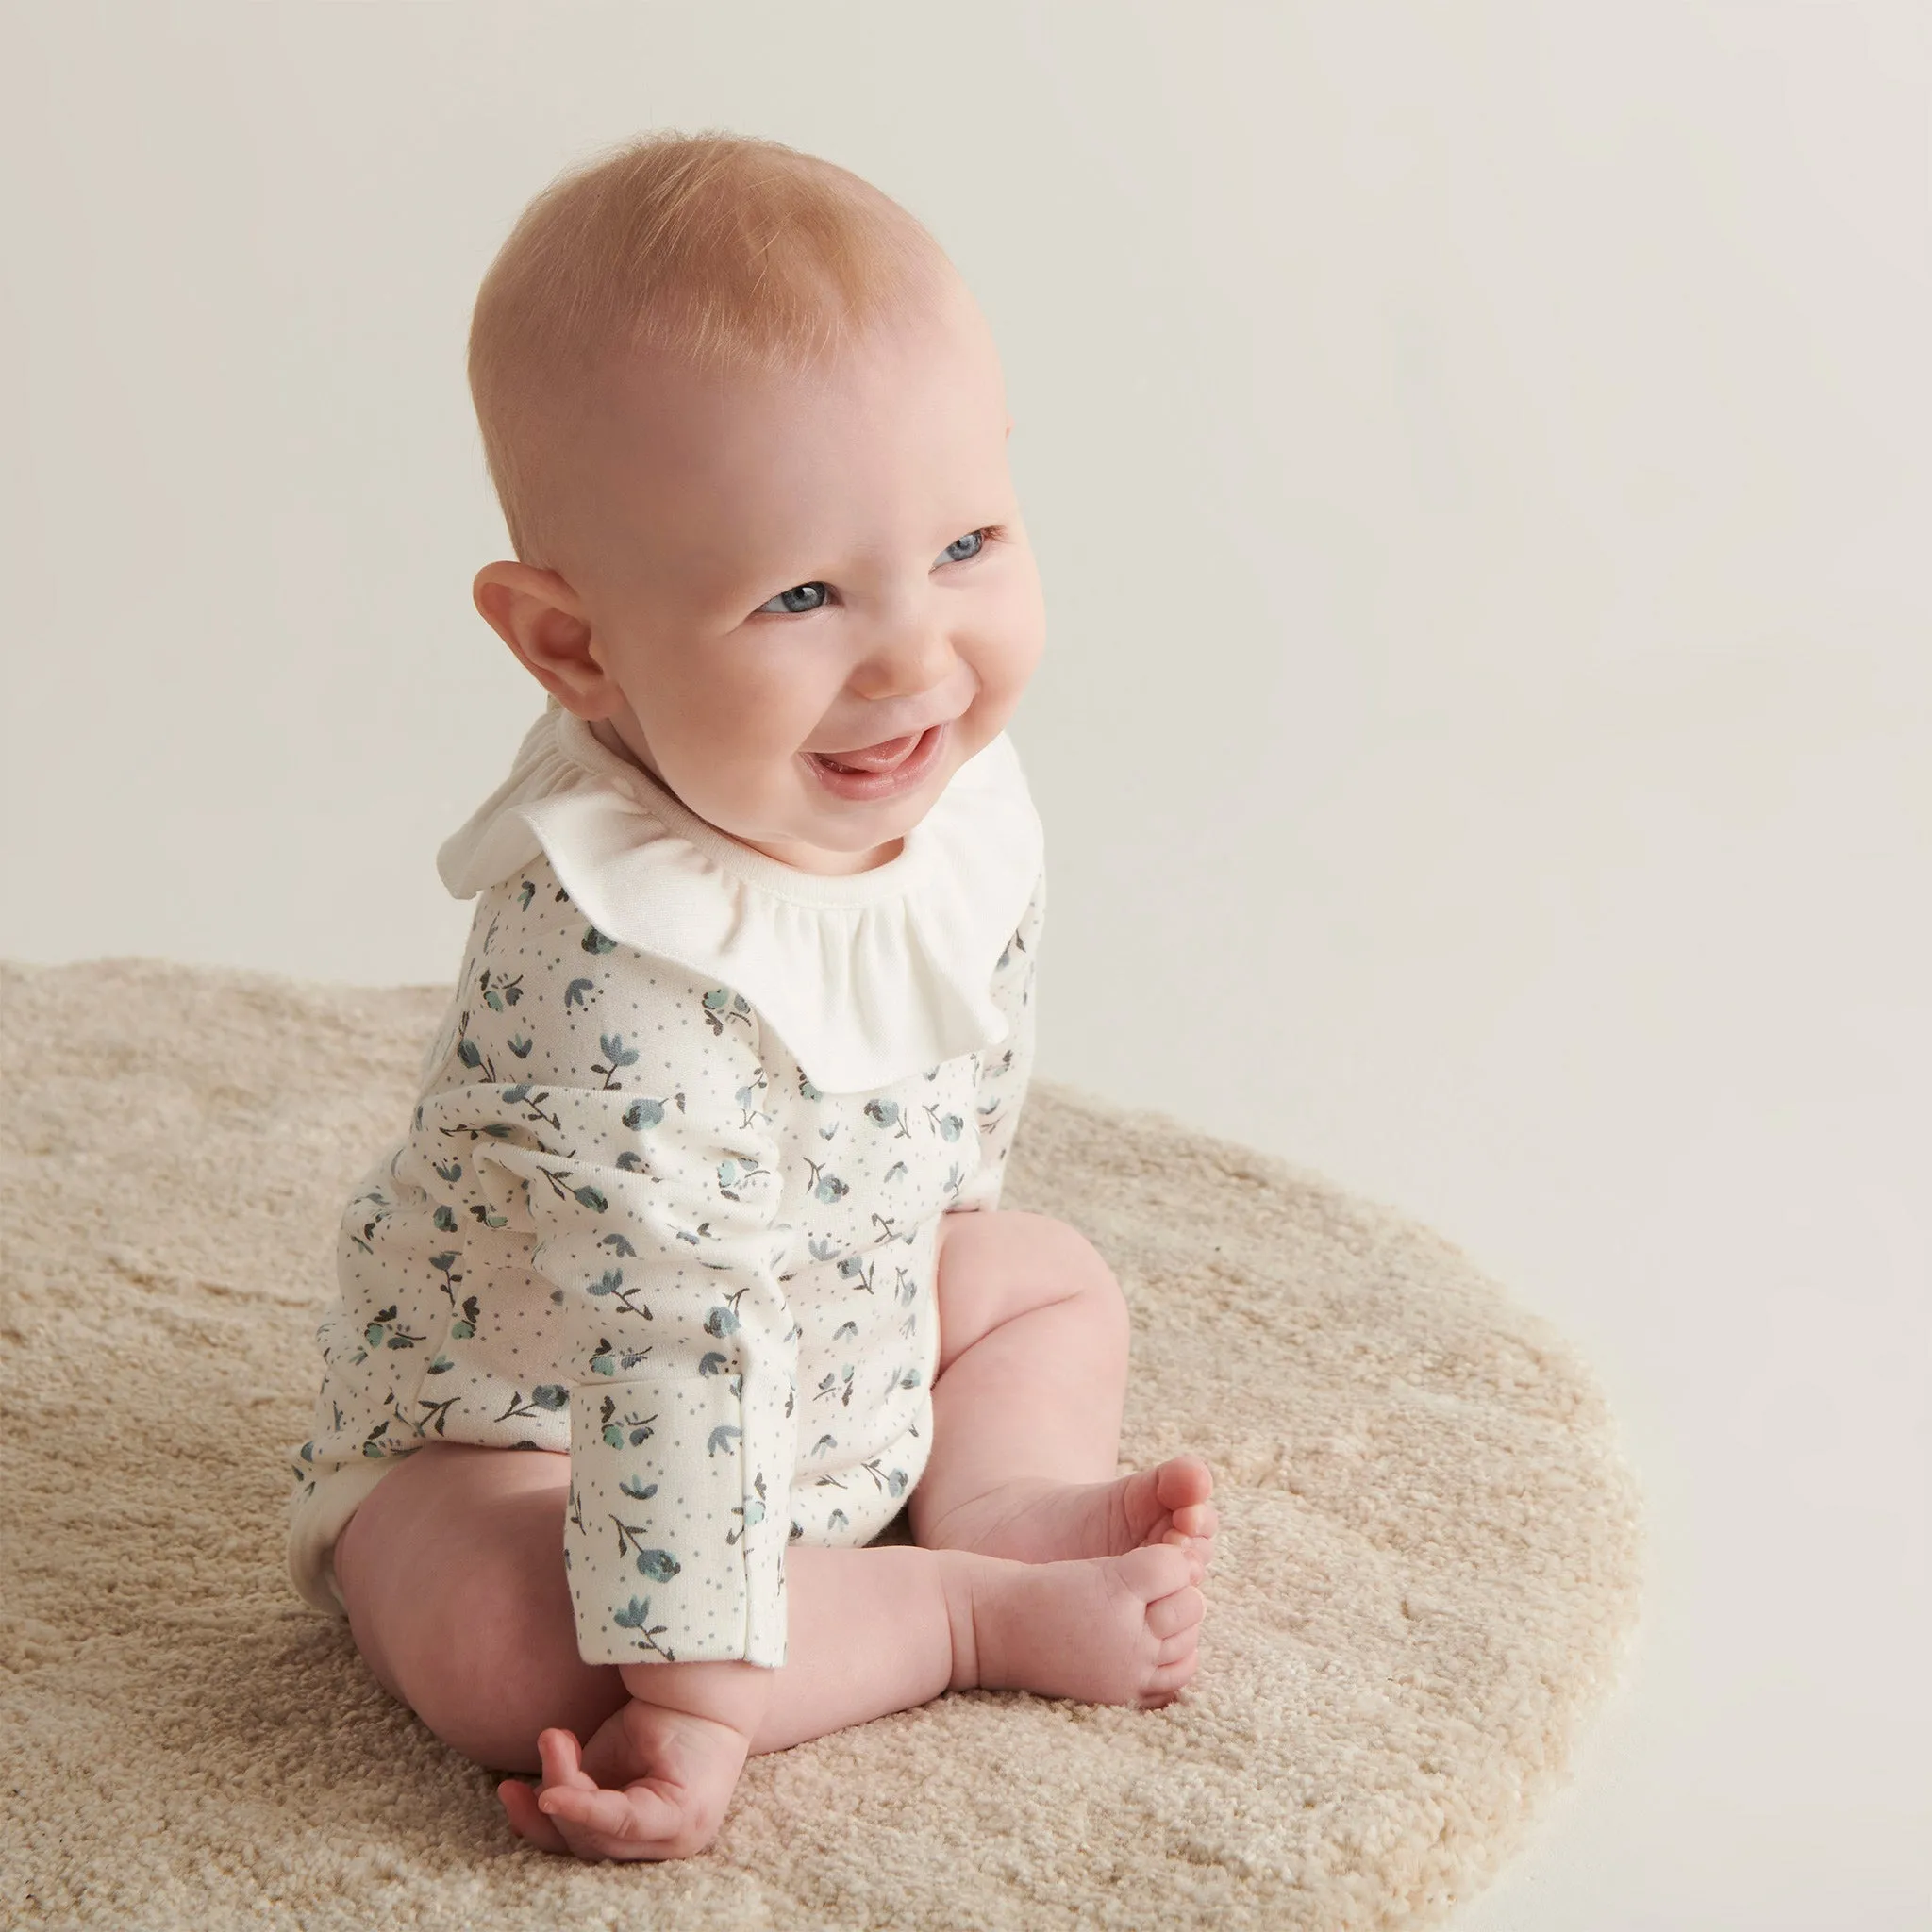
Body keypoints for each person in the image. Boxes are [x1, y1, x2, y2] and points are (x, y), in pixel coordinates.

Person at [284, 129, 1218, 1863]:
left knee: (1040, 1280)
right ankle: (957, 1614)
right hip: (548, 1426)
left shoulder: (934, 788)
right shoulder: (609, 973)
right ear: (576, 647)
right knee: (510, 1647)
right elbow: (667, 1342)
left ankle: (997, 1503)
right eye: (801, 594)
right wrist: (703, 1696)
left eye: (966, 541)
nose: (917, 657)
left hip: (838, 1328)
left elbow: (954, 1123)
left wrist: (900, 1354)